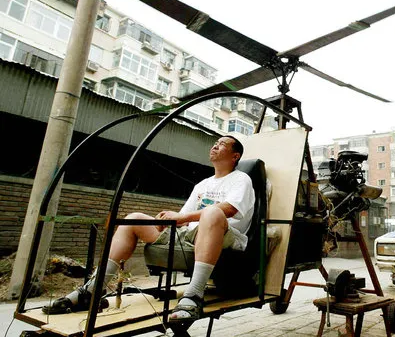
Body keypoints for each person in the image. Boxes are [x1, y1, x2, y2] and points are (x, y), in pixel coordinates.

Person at [42, 135, 256, 322]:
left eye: (222, 144)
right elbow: (184, 217)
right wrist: (167, 219)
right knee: (134, 218)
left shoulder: (241, 179)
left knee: (212, 212)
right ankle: (92, 291)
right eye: (214, 143)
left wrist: (182, 217)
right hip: (190, 234)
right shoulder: (202, 184)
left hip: (225, 234)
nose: (215, 146)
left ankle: (194, 295)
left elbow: (228, 209)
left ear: (235, 155)